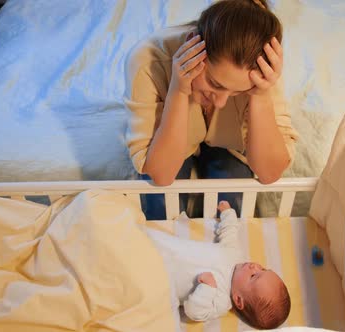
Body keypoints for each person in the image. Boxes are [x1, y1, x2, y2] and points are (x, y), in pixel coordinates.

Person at [124, 0, 298, 219]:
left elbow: (269, 173)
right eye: (215, 84)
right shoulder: (148, 59)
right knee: (161, 206)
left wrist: (260, 96)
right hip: (170, 140)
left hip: (229, 148)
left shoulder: (260, 71)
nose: (221, 103)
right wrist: (178, 91)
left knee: (234, 209)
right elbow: (162, 175)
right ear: (192, 49)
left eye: (237, 92)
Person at [145, 201, 291, 329]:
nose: (255, 266)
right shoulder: (234, 255)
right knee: (141, 236)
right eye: (263, 268)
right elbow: (230, 232)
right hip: (163, 246)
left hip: (159, 277)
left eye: (254, 276)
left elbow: (194, 312)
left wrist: (207, 288)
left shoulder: (221, 301)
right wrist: (228, 213)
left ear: (238, 299)